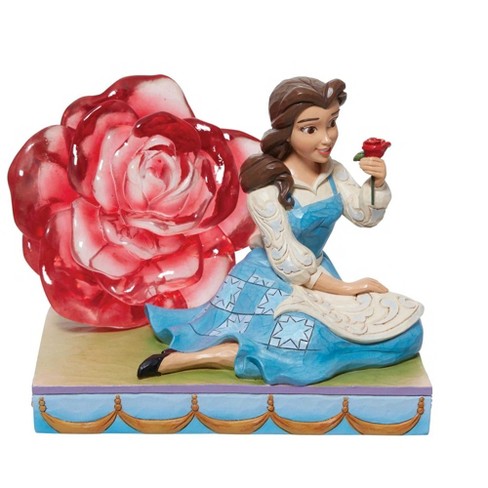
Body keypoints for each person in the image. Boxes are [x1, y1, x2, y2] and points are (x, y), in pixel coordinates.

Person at [137, 76, 423, 386]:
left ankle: (322, 355)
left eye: (332, 123)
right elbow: (289, 261)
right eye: (310, 129)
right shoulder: (267, 191)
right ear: (287, 132)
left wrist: (376, 184)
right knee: (304, 344)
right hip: (272, 280)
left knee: (406, 331)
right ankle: (196, 358)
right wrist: (347, 289)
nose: (326, 139)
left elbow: (363, 215)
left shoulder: (335, 173)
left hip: (320, 275)